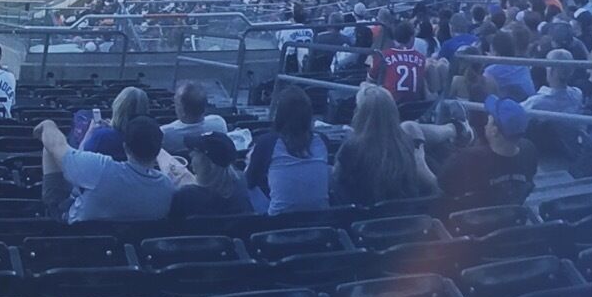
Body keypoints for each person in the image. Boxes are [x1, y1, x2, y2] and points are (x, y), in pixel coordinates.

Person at [41, 114, 175, 223]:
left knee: (49, 150)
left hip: (77, 238)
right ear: (158, 151)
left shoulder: (102, 168)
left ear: (125, 147)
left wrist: (48, 125)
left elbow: (55, 146)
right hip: (130, 250)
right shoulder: (167, 187)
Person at [333, 82, 440, 205]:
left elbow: (338, 180)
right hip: (403, 214)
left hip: (365, 217)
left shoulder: (351, 147)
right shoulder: (406, 142)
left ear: (360, 113)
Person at [245, 86, 332, 214]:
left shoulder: (268, 142)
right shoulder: (323, 140)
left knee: (243, 183)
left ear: (279, 114)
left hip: (279, 222)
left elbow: (250, 181)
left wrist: (249, 162)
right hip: (321, 218)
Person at [170, 132, 252, 220]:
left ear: (210, 163)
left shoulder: (185, 195)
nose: (190, 155)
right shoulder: (242, 183)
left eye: (195, 153)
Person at [158, 82, 228, 154]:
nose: (174, 105)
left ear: (182, 111)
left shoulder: (165, 133)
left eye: (176, 102)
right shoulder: (219, 122)